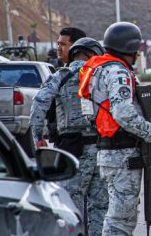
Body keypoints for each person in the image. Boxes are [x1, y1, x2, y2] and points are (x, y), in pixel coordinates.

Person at [79, 22, 151, 235]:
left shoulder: (98, 69)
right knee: (121, 219)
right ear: (130, 48)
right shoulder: (118, 72)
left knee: (117, 214)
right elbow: (123, 112)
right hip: (122, 154)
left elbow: (89, 113)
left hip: (109, 152)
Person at [30, 37, 107, 235]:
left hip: (73, 151)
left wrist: (37, 136)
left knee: (70, 209)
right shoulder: (101, 75)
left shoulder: (62, 75)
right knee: (99, 208)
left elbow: (39, 104)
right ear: (93, 54)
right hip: (101, 149)